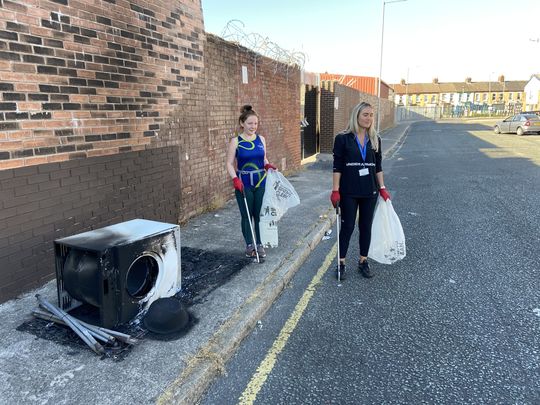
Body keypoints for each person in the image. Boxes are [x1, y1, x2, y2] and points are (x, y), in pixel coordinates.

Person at [330, 102, 391, 280]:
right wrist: (335, 190)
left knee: (366, 227)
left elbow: (378, 166)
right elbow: (337, 166)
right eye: (365, 114)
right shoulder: (343, 138)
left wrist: (382, 188)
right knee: (347, 226)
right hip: (349, 190)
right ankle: (341, 262)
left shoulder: (375, 139)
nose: (369, 118)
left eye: (371, 115)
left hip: (369, 191)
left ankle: (363, 261)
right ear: (356, 116)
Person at [226, 105, 277, 258]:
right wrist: (235, 178)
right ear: (242, 123)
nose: (253, 127)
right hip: (244, 183)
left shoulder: (261, 139)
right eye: (250, 123)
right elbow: (229, 163)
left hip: (261, 181)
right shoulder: (236, 141)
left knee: (260, 214)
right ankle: (250, 244)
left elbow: (263, 158)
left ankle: (260, 243)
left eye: (255, 123)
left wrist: (267, 164)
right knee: (247, 215)